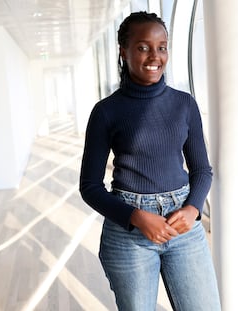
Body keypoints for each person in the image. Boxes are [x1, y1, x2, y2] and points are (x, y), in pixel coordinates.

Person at [79, 11, 221, 311]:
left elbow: (202, 170)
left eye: (162, 46)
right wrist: (136, 217)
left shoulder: (184, 104)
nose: (155, 56)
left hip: (184, 225)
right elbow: (90, 186)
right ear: (123, 51)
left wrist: (193, 207)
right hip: (129, 234)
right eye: (143, 47)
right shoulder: (106, 112)